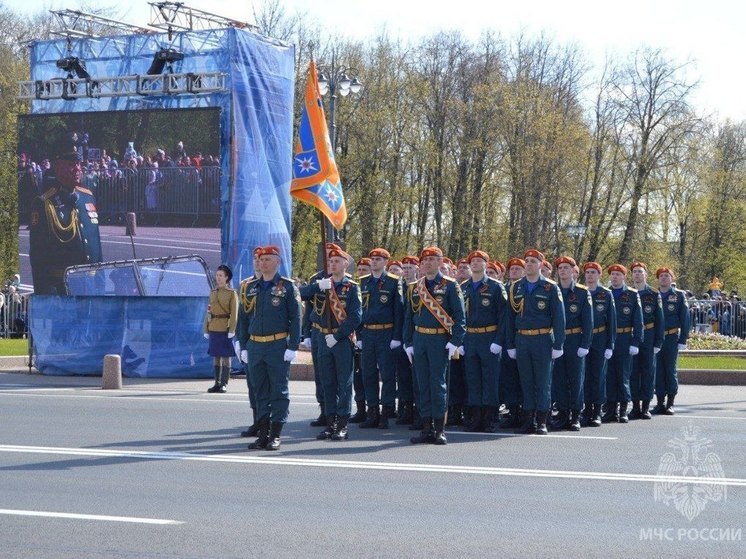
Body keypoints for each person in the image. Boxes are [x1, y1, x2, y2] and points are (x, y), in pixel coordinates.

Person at [236, 246, 301, 450]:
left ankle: (276, 434)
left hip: (277, 345)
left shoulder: (288, 287)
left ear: (277, 262)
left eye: (267, 259)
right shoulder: (250, 287)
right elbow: (243, 319)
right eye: (261, 259)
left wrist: (292, 346)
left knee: (279, 391)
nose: (262, 263)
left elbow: (296, 318)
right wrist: (243, 344)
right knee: (259, 391)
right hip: (255, 346)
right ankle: (262, 433)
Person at [403, 246, 466, 445]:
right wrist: (408, 342)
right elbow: (409, 318)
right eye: (425, 259)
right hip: (420, 339)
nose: (428, 262)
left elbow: (459, 316)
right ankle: (426, 428)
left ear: (440, 262)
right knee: (423, 385)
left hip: (440, 341)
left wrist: (455, 341)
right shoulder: (415, 287)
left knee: (438, 385)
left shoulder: (450, 285)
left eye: (432, 259)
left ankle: (439, 429)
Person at [304, 248, 362, 441]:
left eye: (337, 261)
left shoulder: (352, 287)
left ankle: (342, 424)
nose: (333, 264)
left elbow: (355, 317)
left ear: (345, 264)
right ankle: (330, 423)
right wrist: (316, 287)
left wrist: (338, 336)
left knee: (344, 383)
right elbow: (299, 295)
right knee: (327, 381)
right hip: (322, 337)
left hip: (341, 341)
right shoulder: (321, 283)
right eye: (331, 262)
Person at [505, 249, 565, 435]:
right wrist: (510, 344)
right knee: (526, 381)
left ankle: (542, 421)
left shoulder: (550, 287)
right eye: (527, 261)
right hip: (522, 339)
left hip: (542, 339)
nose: (529, 264)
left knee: (543, 382)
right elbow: (509, 319)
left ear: (540, 264)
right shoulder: (516, 287)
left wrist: (558, 344)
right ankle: (528, 419)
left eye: (533, 261)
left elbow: (559, 319)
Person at [29, 147, 102, 294]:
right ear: (57, 167)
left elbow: (96, 245)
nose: (77, 169)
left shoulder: (88, 197)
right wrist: (47, 297)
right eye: (71, 164)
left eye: (78, 163)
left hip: (91, 286)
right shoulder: (45, 204)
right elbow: (39, 258)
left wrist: (101, 282)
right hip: (63, 289)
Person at [460, 250, 507, 433]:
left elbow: (504, 316)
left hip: (489, 337)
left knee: (490, 379)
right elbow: (459, 316)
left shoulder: (495, 287)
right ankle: (475, 417)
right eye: (473, 261)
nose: (475, 264)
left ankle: (490, 419)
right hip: (470, 337)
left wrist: (499, 340)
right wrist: (460, 340)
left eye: (479, 261)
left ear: (486, 264)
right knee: (472, 379)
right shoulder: (464, 287)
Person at [357, 248, 404, 429]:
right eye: (372, 259)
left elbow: (398, 312)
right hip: (368, 333)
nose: (374, 262)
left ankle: (386, 413)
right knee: (368, 374)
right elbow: (359, 311)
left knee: (387, 375)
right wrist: (359, 335)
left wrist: (397, 336)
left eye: (378, 259)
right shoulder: (363, 282)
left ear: (385, 262)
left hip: (386, 333)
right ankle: (372, 412)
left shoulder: (393, 282)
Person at [551, 256, 593, 431]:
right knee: (559, 379)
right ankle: (562, 413)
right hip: (557, 341)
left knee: (576, 379)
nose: (562, 270)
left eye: (566, 267)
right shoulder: (552, 290)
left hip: (575, 340)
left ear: (573, 270)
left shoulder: (582, 292)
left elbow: (588, 322)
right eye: (560, 268)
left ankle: (575, 415)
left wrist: (585, 344)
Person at [604, 264, 644, 423]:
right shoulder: (605, 294)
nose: (614, 277)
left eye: (618, 274)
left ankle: (623, 410)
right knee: (609, 376)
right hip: (608, 339)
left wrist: (635, 341)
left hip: (624, 338)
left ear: (624, 277)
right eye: (612, 274)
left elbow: (638, 320)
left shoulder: (632, 295)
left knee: (623, 375)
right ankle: (610, 409)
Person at [581, 262, 616, 427]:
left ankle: (597, 412)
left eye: (593, 272)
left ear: (599, 275)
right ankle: (586, 409)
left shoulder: (606, 294)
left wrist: (610, 345)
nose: (590, 275)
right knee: (584, 376)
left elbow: (612, 321)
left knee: (598, 376)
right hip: (582, 338)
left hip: (600, 338)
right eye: (587, 272)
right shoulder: (580, 292)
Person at [629, 262, 664, 420]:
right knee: (633, 372)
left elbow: (660, 320)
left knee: (648, 372)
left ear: (646, 275)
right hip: (631, 336)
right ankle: (635, 406)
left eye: (640, 272)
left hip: (648, 335)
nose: (637, 274)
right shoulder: (627, 294)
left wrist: (658, 342)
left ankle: (645, 407)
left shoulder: (654, 294)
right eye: (634, 272)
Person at [654, 267, 691, 415]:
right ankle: (659, 403)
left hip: (670, 337)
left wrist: (683, 339)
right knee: (658, 371)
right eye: (661, 276)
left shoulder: (679, 296)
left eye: (666, 276)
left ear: (672, 278)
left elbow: (685, 319)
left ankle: (670, 403)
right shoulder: (653, 295)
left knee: (670, 370)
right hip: (656, 338)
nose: (663, 278)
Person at [238, 247, 264, 437]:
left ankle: (268, 423)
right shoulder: (245, 285)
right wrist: (241, 343)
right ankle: (257, 421)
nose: (257, 261)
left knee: (268, 386)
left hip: (271, 343)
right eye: (255, 258)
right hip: (252, 343)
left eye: (261, 258)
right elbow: (242, 317)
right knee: (252, 385)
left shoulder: (278, 285)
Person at [499, 257, 526, 428]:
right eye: (512, 269)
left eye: (517, 269)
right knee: (510, 378)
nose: (514, 271)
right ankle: (512, 410)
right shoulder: (506, 289)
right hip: (509, 339)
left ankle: (525, 411)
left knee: (524, 377)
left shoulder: (525, 287)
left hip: (526, 337)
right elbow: (504, 319)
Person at [204, 265, 238, 393]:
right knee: (216, 355)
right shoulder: (213, 292)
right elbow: (208, 311)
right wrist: (206, 328)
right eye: (217, 275)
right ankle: (216, 383)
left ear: (227, 278)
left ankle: (224, 383)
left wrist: (232, 329)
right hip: (214, 326)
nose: (218, 278)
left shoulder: (231, 293)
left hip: (225, 327)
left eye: (221, 276)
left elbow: (234, 312)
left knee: (225, 356)